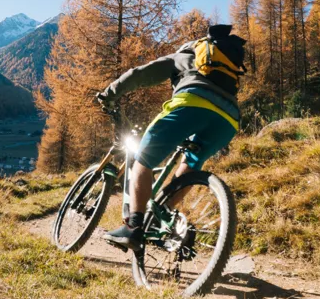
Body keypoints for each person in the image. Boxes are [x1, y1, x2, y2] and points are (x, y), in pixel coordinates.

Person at [96, 24, 245, 250]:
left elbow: (141, 74)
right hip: (229, 120)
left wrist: (109, 94)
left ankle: (134, 227)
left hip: (191, 104)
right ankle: (159, 218)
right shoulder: (226, 68)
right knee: (190, 165)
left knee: (142, 161)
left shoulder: (186, 54)